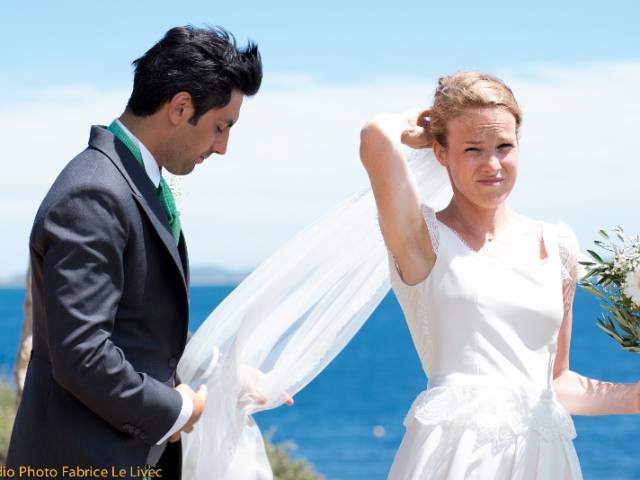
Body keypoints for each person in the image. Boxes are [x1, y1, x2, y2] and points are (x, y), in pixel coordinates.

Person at [7, 25, 262, 478]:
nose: (223, 147)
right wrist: (178, 411)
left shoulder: (132, 182)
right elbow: (82, 354)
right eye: (221, 127)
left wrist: (221, 379)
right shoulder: (93, 194)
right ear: (180, 107)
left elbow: (142, 328)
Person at [359, 71, 640, 479]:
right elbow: (374, 136)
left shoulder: (557, 245)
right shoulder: (422, 241)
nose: (492, 164)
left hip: (545, 462)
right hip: (455, 461)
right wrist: (418, 128)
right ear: (441, 154)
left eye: (504, 146)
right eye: (472, 148)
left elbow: (555, 382)